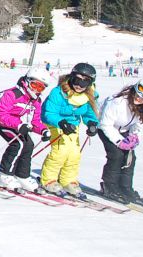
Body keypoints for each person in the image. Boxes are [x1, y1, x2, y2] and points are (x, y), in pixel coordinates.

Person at [39, 62, 100, 197]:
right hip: (55, 122)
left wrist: (92, 123)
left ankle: (68, 181)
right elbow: (49, 113)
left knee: (74, 153)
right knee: (61, 151)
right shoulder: (59, 92)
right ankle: (48, 180)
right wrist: (61, 123)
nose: (79, 85)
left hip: (72, 124)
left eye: (84, 82)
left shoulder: (90, 95)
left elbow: (90, 113)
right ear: (71, 78)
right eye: (77, 80)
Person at [97, 78, 143, 205]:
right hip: (105, 127)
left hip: (123, 129)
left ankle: (125, 188)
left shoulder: (142, 107)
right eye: (140, 90)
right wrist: (120, 141)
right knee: (116, 155)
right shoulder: (117, 102)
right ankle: (109, 186)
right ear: (135, 87)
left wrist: (134, 137)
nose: (140, 96)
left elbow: (136, 124)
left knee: (130, 158)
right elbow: (105, 124)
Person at [0, 67, 51, 192]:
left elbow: (35, 121)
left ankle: (22, 175)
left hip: (16, 124)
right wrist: (18, 125)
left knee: (29, 144)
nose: (36, 90)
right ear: (27, 81)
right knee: (18, 143)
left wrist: (43, 130)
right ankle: (4, 175)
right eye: (34, 85)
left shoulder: (36, 100)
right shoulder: (12, 94)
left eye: (41, 88)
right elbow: (1, 115)